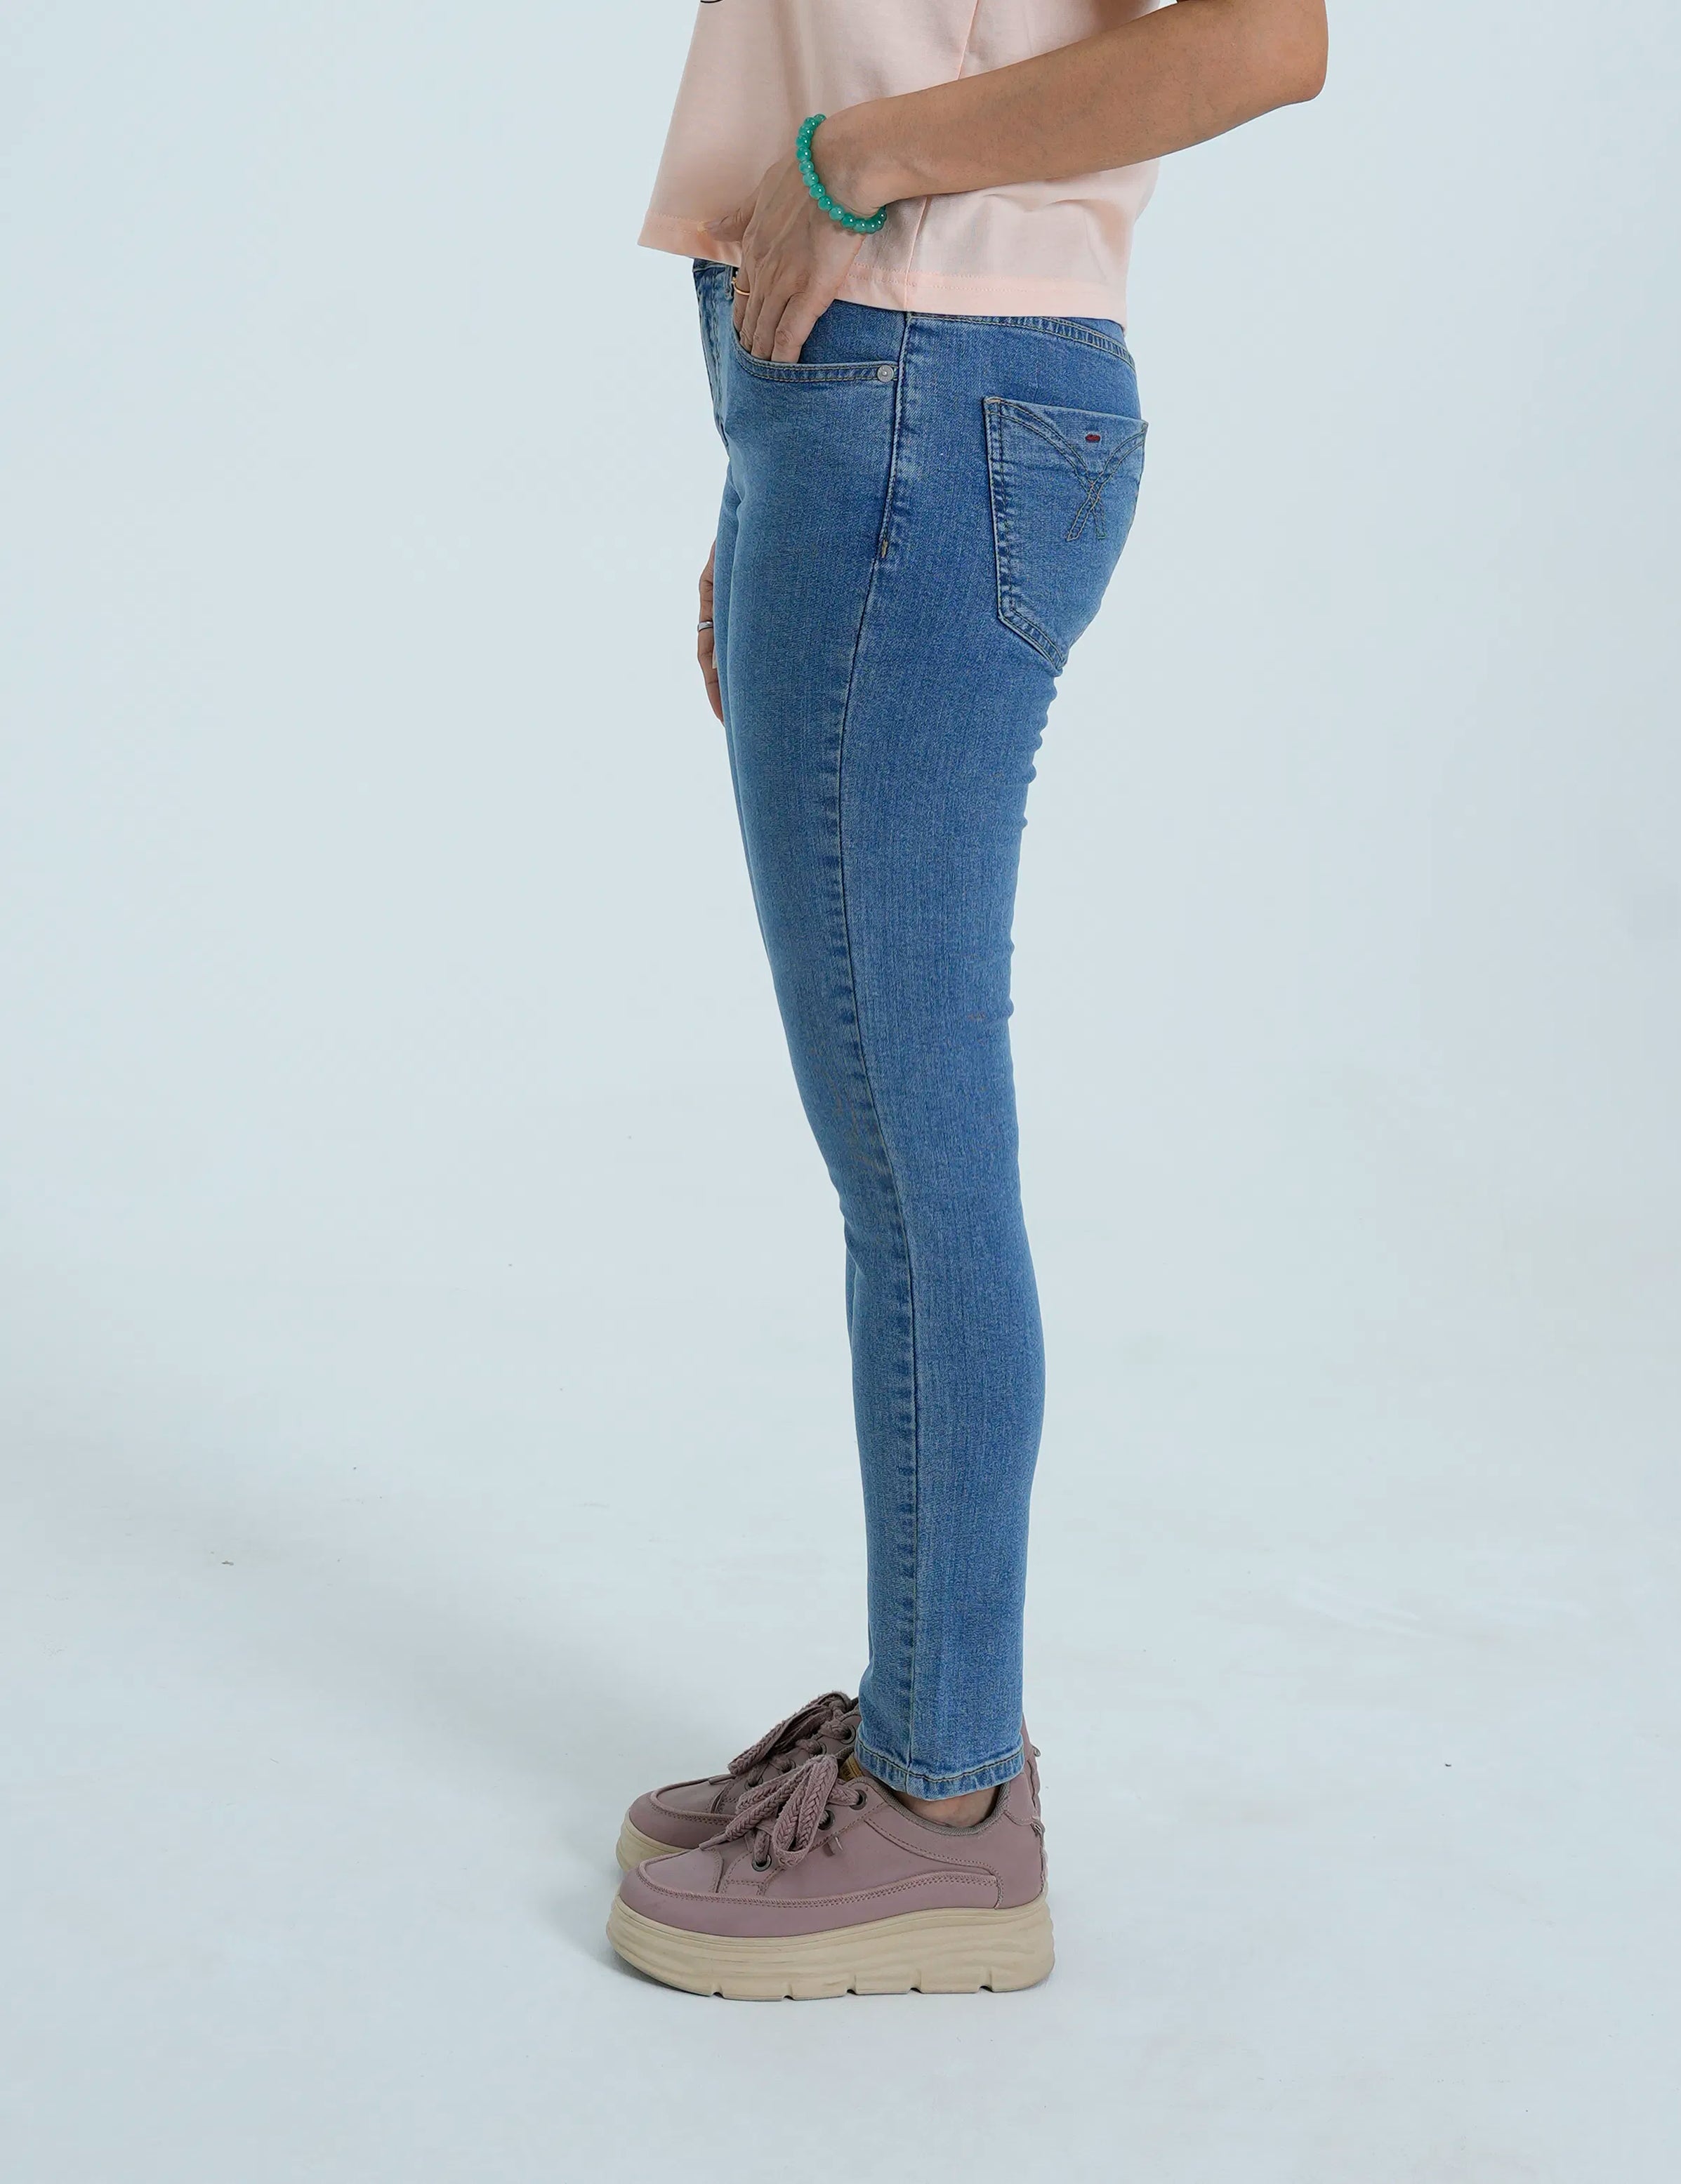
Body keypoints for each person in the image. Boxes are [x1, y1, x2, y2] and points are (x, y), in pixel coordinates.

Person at [608, 0, 1326, 2000]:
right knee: (898, 1155)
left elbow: (1268, 39)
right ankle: (924, 1721)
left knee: (915, 1165)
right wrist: (767, 477)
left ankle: (942, 1806)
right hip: (865, 403)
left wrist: (856, 170)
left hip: (924, 386)